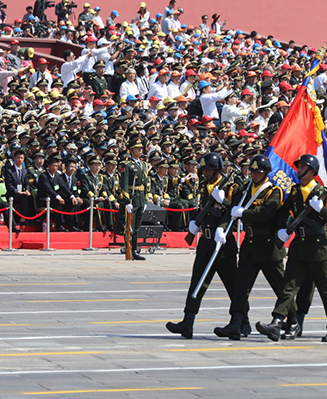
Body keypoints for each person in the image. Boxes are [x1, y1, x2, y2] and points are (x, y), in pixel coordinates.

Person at [256, 154, 327, 343]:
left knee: (326, 289)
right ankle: (277, 320)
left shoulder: (324, 193)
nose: (299, 169)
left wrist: (322, 209)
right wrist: (282, 229)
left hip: (317, 247)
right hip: (298, 246)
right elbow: (283, 212)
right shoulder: (295, 191)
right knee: (289, 287)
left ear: (312, 171)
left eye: (303, 166)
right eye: (299, 166)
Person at [166, 152, 242, 339]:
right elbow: (202, 210)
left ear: (217, 170)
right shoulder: (204, 186)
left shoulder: (231, 187)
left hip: (222, 244)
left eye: (208, 169)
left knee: (233, 286)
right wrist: (195, 223)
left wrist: (223, 201)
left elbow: (234, 212)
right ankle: (188, 322)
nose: (205, 172)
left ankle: (242, 322)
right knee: (196, 283)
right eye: (204, 169)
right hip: (206, 243)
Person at [212, 154, 285, 340]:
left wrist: (244, 213)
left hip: (268, 246)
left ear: (265, 173)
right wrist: (225, 204)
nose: (254, 175)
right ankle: (236, 323)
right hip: (249, 246)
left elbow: (266, 212)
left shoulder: (273, 191)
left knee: (281, 287)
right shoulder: (246, 189)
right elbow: (234, 208)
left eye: (258, 172)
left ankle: (291, 320)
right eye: (252, 171)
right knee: (241, 288)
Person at [119, 139, 150, 260]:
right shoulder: (127, 165)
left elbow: (146, 182)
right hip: (132, 197)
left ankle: (135, 249)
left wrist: (146, 199)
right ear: (131, 150)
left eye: (141, 148)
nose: (140, 150)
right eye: (137, 148)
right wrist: (126, 201)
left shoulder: (143, 164)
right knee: (129, 225)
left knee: (137, 225)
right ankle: (129, 249)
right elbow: (124, 184)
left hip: (141, 197)